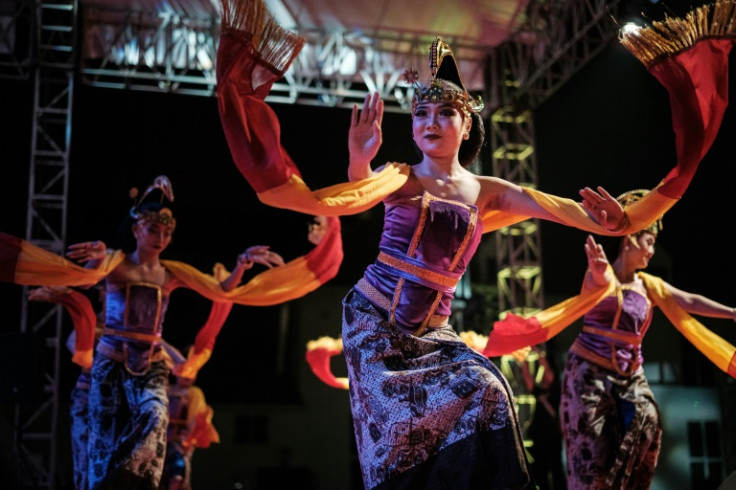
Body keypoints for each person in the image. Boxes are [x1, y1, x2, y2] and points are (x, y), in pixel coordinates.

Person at [213, 0, 734, 487]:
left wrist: (617, 218)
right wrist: (359, 158)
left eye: (443, 114)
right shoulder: (400, 177)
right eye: (421, 115)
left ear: (467, 125)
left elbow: (580, 216)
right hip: (375, 329)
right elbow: (349, 200)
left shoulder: (491, 194)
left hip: (435, 336)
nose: (430, 123)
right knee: (402, 446)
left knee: (489, 392)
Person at [559, 190, 736, 490]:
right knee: (592, 461)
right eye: (649, 242)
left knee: (648, 420)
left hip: (630, 375)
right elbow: (596, 284)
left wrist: (732, 312)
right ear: (629, 240)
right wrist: (599, 273)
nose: (652, 251)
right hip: (590, 376)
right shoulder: (601, 274)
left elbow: (688, 300)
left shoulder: (649, 285)